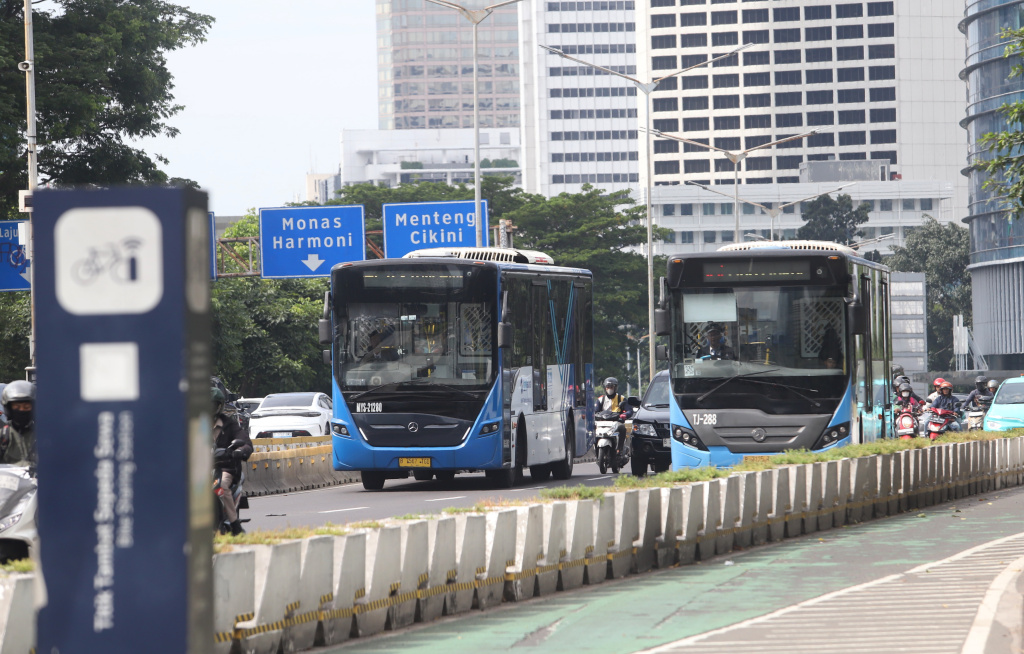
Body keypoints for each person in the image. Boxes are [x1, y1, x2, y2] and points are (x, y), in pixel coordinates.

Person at [212, 380, 253, 535]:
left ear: (219, 406)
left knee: (221, 486)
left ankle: (235, 524)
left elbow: (246, 442)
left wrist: (240, 451)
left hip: (225, 468)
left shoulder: (229, 425)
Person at [0, 381, 35, 473]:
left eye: (26, 407)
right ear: (9, 408)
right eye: (17, 407)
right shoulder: (3, 436)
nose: (21, 410)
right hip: (7, 481)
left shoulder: (44, 437)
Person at [595, 377, 632, 455]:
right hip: (602, 423)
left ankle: (620, 449)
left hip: (616, 421)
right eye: (607, 387)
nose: (609, 389)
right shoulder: (600, 399)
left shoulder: (621, 398)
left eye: (611, 387)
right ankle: (595, 449)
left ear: (615, 388)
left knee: (622, 427)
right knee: (592, 429)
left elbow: (629, 410)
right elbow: (595, 411)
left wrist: (624, 415)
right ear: (605, 388)